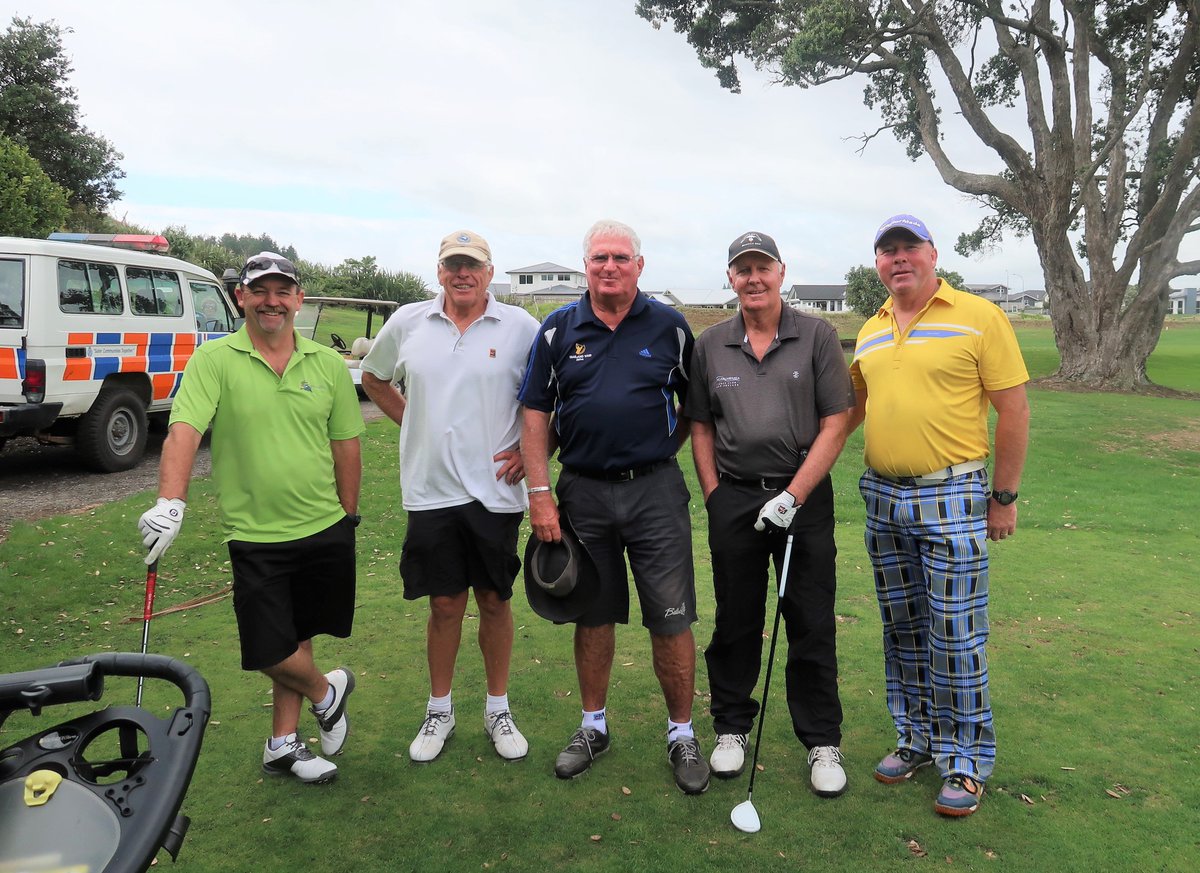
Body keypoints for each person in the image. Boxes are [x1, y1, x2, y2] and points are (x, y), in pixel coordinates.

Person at [138, 252, 363, 785]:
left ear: (298, 299)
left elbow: (346, 444)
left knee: (300, 635)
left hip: (324, 524)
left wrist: (349, 517)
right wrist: (172, 500)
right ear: (241, 297)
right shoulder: (215, 361)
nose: (272, 301)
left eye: (283, 291)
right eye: (260, 291)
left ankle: (281, 744)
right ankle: (327, 692)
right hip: (256, 533)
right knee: (269, 646)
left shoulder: (327, 365)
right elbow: (184, 431)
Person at [846, 215, 1030, 817]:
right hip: (882, 496)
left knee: (954, 632)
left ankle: (967, 761)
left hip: (952, 494)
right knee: (902, 629)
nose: (898, 259)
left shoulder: (979, 315)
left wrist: (1002, 498)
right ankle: (917, 739)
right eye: (887, 250)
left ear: (931, 254)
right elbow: (854, 409)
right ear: (878, 263)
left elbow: (1014, 409)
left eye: (908, 248)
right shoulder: (870, 329)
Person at [519, 219, 709, 795]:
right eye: (599, 257)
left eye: (620, 258)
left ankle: (682, 733)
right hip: (582, 492)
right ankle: (592, 726)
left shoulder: (670, 326)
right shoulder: (557, 329)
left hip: (655, 492)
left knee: (671, 617)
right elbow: (534, 414)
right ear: (586, 266)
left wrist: (656, 452)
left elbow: (693, 408)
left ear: (639, 265)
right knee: (593, 613)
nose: (609, 267)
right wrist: (539, 494)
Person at [360, 230, 539, 763]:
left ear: (489, 272)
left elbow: (549, 397)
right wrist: (412, 422)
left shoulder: (520, 327)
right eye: (452, 265)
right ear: (439, 271)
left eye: (473, 265)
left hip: (495, 492)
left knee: (494, 600)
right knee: (443, 604)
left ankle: (497, 708)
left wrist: (531, 453)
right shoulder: (409, 322)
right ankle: (440, 708)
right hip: (430, 490)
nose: (463, 274)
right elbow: (373, 378)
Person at [685, 231, 854, 797]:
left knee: (809, 618)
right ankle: (731, 727)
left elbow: (837, 422)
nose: (753, 278)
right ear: (730, 278)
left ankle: (821, 741)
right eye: (742, 269)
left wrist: (795, 495)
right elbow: (701, 425)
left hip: (802, 498)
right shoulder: (710, 344)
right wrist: (713, 494)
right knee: (735, 618)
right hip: (734, 496)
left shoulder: (818, 335)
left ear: (782, 272)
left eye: (763, 267)